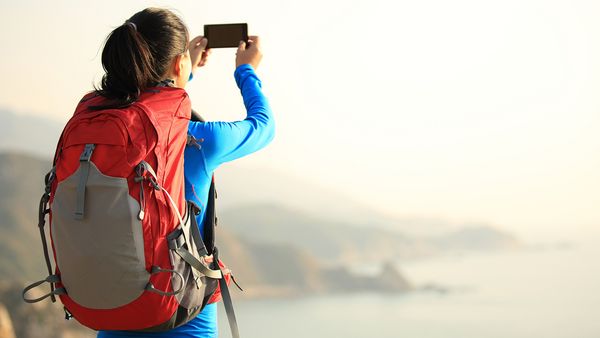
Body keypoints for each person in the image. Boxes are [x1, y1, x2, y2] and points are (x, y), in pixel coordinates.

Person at [95, 7, 275, 338]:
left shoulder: (102, 135)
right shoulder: (200, 141)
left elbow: (146, 111)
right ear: (179, 63)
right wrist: (246, 70)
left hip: (114, 321)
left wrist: (182, 71)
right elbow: (263, 126)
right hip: (186, 325)